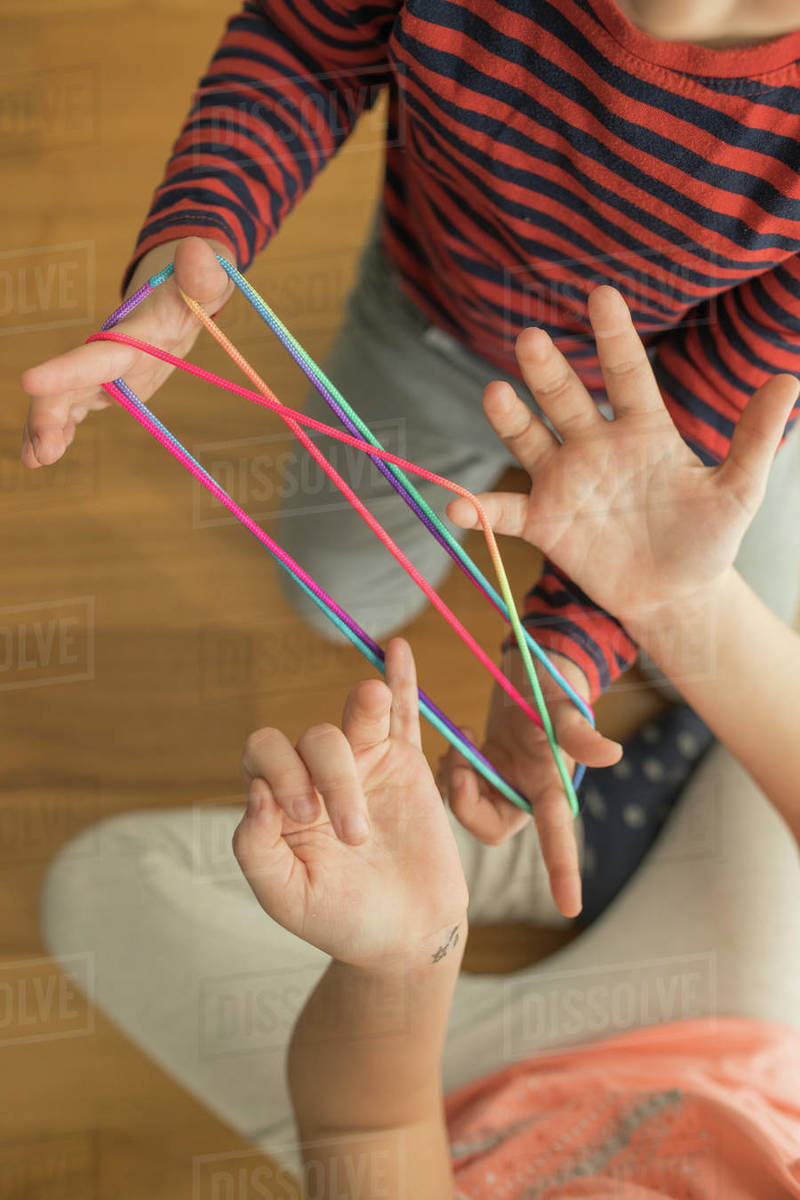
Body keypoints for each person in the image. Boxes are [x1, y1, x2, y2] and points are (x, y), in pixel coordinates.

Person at [21, 0, 800, 917]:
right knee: (332, 601)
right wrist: (193, 247)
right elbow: (302, 45)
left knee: (731, 642)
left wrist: (567, 649)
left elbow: (738, 389)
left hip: (679, 420)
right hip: (429, 329)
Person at [42, 290, 800, 1194]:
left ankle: (510, 851)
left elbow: (373, 1122)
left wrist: (409, 952)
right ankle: (547, 835)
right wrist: (683, 605)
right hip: (732, 1034)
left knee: (101, 889)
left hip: (449, 1108)